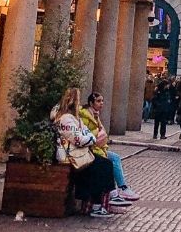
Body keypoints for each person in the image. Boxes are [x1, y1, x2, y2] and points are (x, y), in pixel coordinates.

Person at [53, 87, 117, 219]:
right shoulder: (66, 119)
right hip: (71, 157)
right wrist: (92, 138)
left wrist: (88, 136)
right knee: (101, 167)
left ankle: (106, 199)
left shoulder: (75, 118)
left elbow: (86, 131)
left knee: (105, 164)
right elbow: (79, 139)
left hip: (80, 154)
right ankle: (104, 201)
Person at [78, 92, 138, 206]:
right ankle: (118, 191)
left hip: (99, 148)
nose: (101, 103)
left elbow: (102, 132)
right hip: (91, 150)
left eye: (102, 101)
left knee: (115, 158)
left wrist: (102, 135)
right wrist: (99, 134)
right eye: (98, 101)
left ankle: (120, 189)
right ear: (91, 103)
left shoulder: (95, 115)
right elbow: (86, 134)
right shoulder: (85, 116)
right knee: (110, 162)